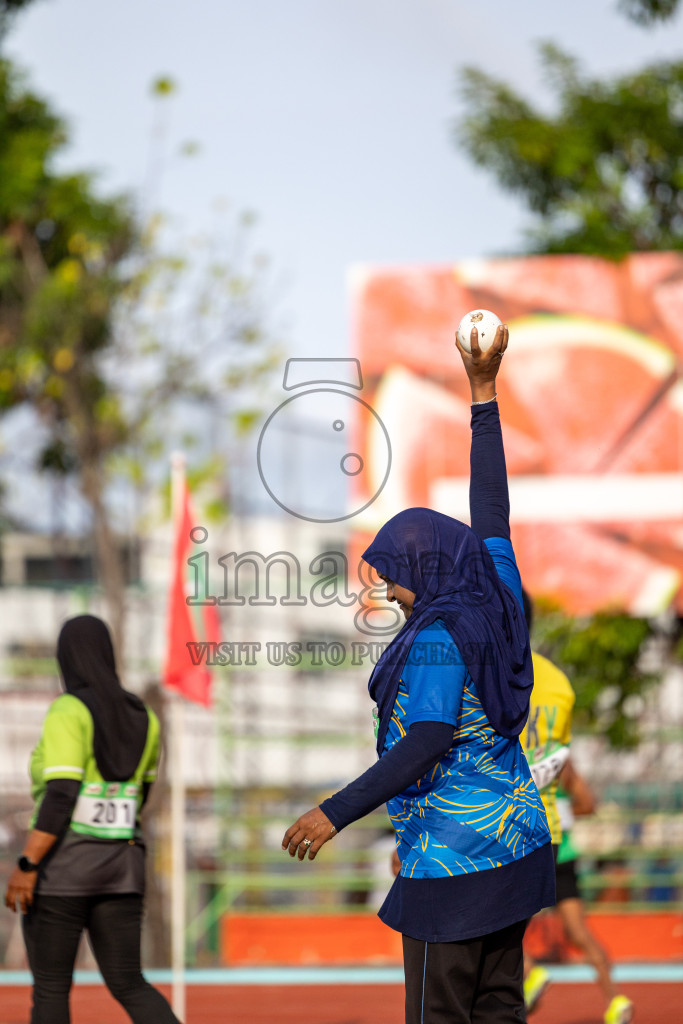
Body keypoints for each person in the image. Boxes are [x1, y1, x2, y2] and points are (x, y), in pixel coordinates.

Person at [282, 323, 556, 1024]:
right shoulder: (492, 591)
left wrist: (333, 812)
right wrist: (482, 390)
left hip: (454, 859)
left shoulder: (436, 637)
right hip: (517, 842)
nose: (391, 593)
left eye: (396, 577)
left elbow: (427, 735)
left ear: (426, 570)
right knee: (499, 1009)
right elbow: (490, 507)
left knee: (440, 1016)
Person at [4, 614, 181, 1024]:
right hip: (122, 870)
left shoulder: (69, 710)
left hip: (63, 871)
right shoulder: (145, 717)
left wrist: (28, 864)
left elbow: (62, 793)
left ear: (66, 658)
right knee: (129, 983)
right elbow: (141, 796)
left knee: (50, 988)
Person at [525, 760, 634, 1024]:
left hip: (536, 852)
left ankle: (531, 974)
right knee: (578, 931)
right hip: (565, 855)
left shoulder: (522, 753)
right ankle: (616, 999)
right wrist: (563, 811)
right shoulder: (563, 762)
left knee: (507, 930)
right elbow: (588, 804)